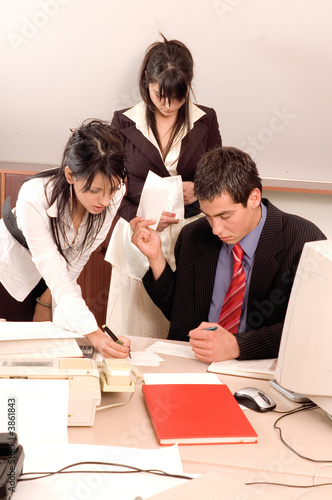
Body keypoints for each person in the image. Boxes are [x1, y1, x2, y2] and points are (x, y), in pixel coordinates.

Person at [131, 146, 326, 362]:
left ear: (254, 198)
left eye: (225, 216)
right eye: (209, 216)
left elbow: (311, 326)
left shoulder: (304, 240)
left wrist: (237, 346)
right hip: (195, 365)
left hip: (261, 367)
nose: (216, 229)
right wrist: (156, 258)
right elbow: (180, 316)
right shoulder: (194, 236)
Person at [105, 35, 221, 338]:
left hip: (189, 238)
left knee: (179, 336)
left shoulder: (206, 119)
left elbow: (218, 181)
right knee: (130, 336)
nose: (169, 105)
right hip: (136, 237)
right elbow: (114, 189)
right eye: (160, 95)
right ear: (147, 81)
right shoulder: (122, 122)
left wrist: (198, 190)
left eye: (178, 98)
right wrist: (137, 219)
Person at [0, 119, 130, 358]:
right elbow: (53, 268)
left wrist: (46, 301)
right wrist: (97, 336)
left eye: (110, 189)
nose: (104, 200)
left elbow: (75, 262)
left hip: (54, 277)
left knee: (48, 352)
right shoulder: (34, 197)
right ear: (70, 175)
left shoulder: (115, 191)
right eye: (94, 190)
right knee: (15, 354)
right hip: (11, 274)